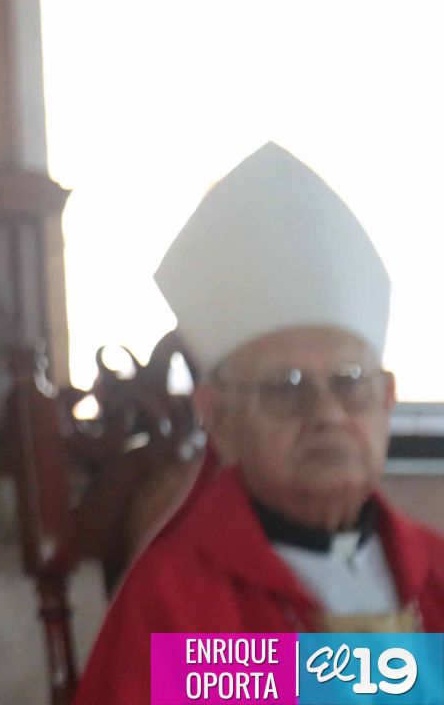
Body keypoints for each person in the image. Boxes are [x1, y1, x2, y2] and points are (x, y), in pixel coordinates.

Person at [74, 143, 444, 705]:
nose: (326, 414)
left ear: (387, 399)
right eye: (285, 387)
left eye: (349, 381)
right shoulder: (177, 599)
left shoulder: (436, 572)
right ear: (218, 418)